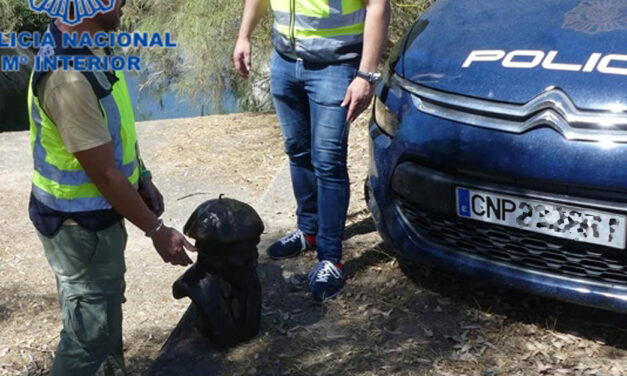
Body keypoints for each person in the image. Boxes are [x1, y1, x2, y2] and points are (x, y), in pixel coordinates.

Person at [28, 1, 196, 374]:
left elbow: (114, 125)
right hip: (77, 229)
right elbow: (103, 174)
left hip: (96, 219)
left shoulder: (93, 45)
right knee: (87, 340)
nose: (124, 3)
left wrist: (143, 176)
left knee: (101, 320)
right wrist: (155, 230)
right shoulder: (68, 77)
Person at [233, 0, 390, 301]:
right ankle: (308, 231)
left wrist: (366, 75)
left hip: (335, 65)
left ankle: (330, 258)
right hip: (285, 61)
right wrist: (244, 35)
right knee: (297, 150)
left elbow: (378, 5)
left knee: (328, 161)